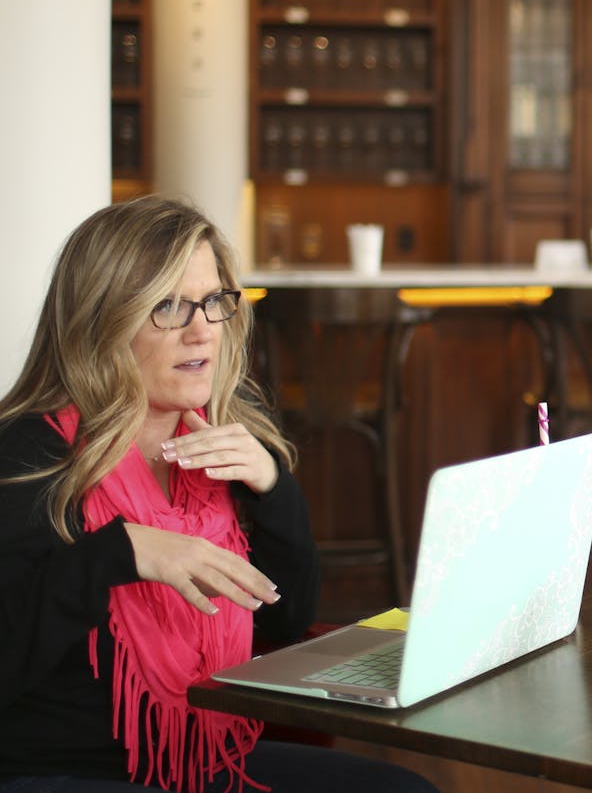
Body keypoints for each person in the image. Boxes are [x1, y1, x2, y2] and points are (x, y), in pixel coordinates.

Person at [0, 197, 436, 792]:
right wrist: (118, 553)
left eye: (212, 302)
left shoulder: (224, 439)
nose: (201, 328)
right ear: (100, 320)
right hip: (63, 773)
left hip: (210, 760)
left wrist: (272, 491)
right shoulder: (26, 456)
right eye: (168, 306)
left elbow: (289, 617)